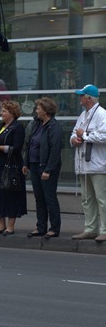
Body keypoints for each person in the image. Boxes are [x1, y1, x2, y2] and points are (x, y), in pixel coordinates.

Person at [69, 85, 106, 241]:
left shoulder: (102, 114)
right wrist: (74, 140)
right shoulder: (83, 115)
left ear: (89, 98)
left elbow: (103, 136)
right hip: (84, 164)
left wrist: (83, 135)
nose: (80, 98)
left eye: (82, 96)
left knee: (102, 199)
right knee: (87, 199)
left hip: (98, 165)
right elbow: (74, 133)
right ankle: (90, 228)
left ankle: (104, 229)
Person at [0, 100, 27, 235]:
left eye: (4, 111)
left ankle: (10, 226)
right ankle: (0, 224)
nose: (1, 113)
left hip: (11, 165)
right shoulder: (0, 126)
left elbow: (16, 148)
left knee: (10, 193)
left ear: (12, 113)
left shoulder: (17, 127)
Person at [22, 98, 63, 238]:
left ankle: (54, 228)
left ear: (46, 111)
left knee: (49, 197)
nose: (36, 110)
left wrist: (48, 170)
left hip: (46, 168)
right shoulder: (37, 124)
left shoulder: (54, 127)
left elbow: (55, 151)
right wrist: (26, 163)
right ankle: (41, 227)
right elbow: (30, 144)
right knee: (39, 198)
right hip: (34, 166)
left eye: (38, 108)